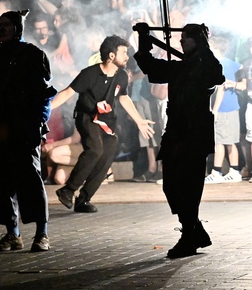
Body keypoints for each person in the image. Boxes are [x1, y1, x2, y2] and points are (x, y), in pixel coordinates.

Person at [133, 22, 224, 259]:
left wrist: (203, 44)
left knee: (189, 186)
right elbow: (149, 66)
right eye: (181, 37)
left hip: (195, 133)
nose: (181, 41)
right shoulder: (180, 67)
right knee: (171, 185)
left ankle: (189, 235)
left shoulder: (205, 66)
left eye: (187, 37)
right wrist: (144, 38)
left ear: (199, 41)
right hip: (176, 130)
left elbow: (216, 75)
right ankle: (194, 229)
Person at [0, 11, 56, 253]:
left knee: (30, 180)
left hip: (25, 126)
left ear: (17, 28)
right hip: (1, 129)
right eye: (0, 25)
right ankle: (12, 233)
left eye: (7, 25)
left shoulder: (33, 55)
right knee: (2, 182)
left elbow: (44, 94)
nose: (2, 29)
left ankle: (42, 233)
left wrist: (38, 124)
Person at [51, 36, 154, 213]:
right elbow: (67, 92)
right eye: (124, 53)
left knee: (107, 155)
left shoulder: (121, 75)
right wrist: (46, 109)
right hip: (87, 117)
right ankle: (68, 190)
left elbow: (124, 98)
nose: (127, 56)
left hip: (107, 121)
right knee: (95, 149)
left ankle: (84, 199)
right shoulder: (89, 74)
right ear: (112, 56)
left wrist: (139, 120)